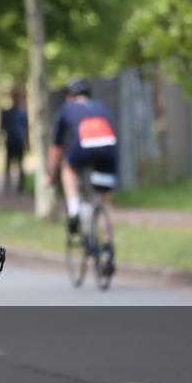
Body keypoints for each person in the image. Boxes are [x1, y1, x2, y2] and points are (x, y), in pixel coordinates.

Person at [47, 79, 117, 275]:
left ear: (69, 97)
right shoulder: (101, 107)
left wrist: (51, 176)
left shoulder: (66, 109)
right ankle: (109, 249)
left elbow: (56, 148)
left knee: (68, 168)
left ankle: (75, 209)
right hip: (108, 148)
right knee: (105, 202)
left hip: (84, 146)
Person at [0, 90, 28, 194]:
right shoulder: (6, 113)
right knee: (8, 165)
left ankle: (21, 187)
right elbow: (1, 128)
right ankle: (8, 186)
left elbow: (26, 129)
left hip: (19, 142)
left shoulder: (23, 113)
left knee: (20, 165)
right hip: (10, 141)